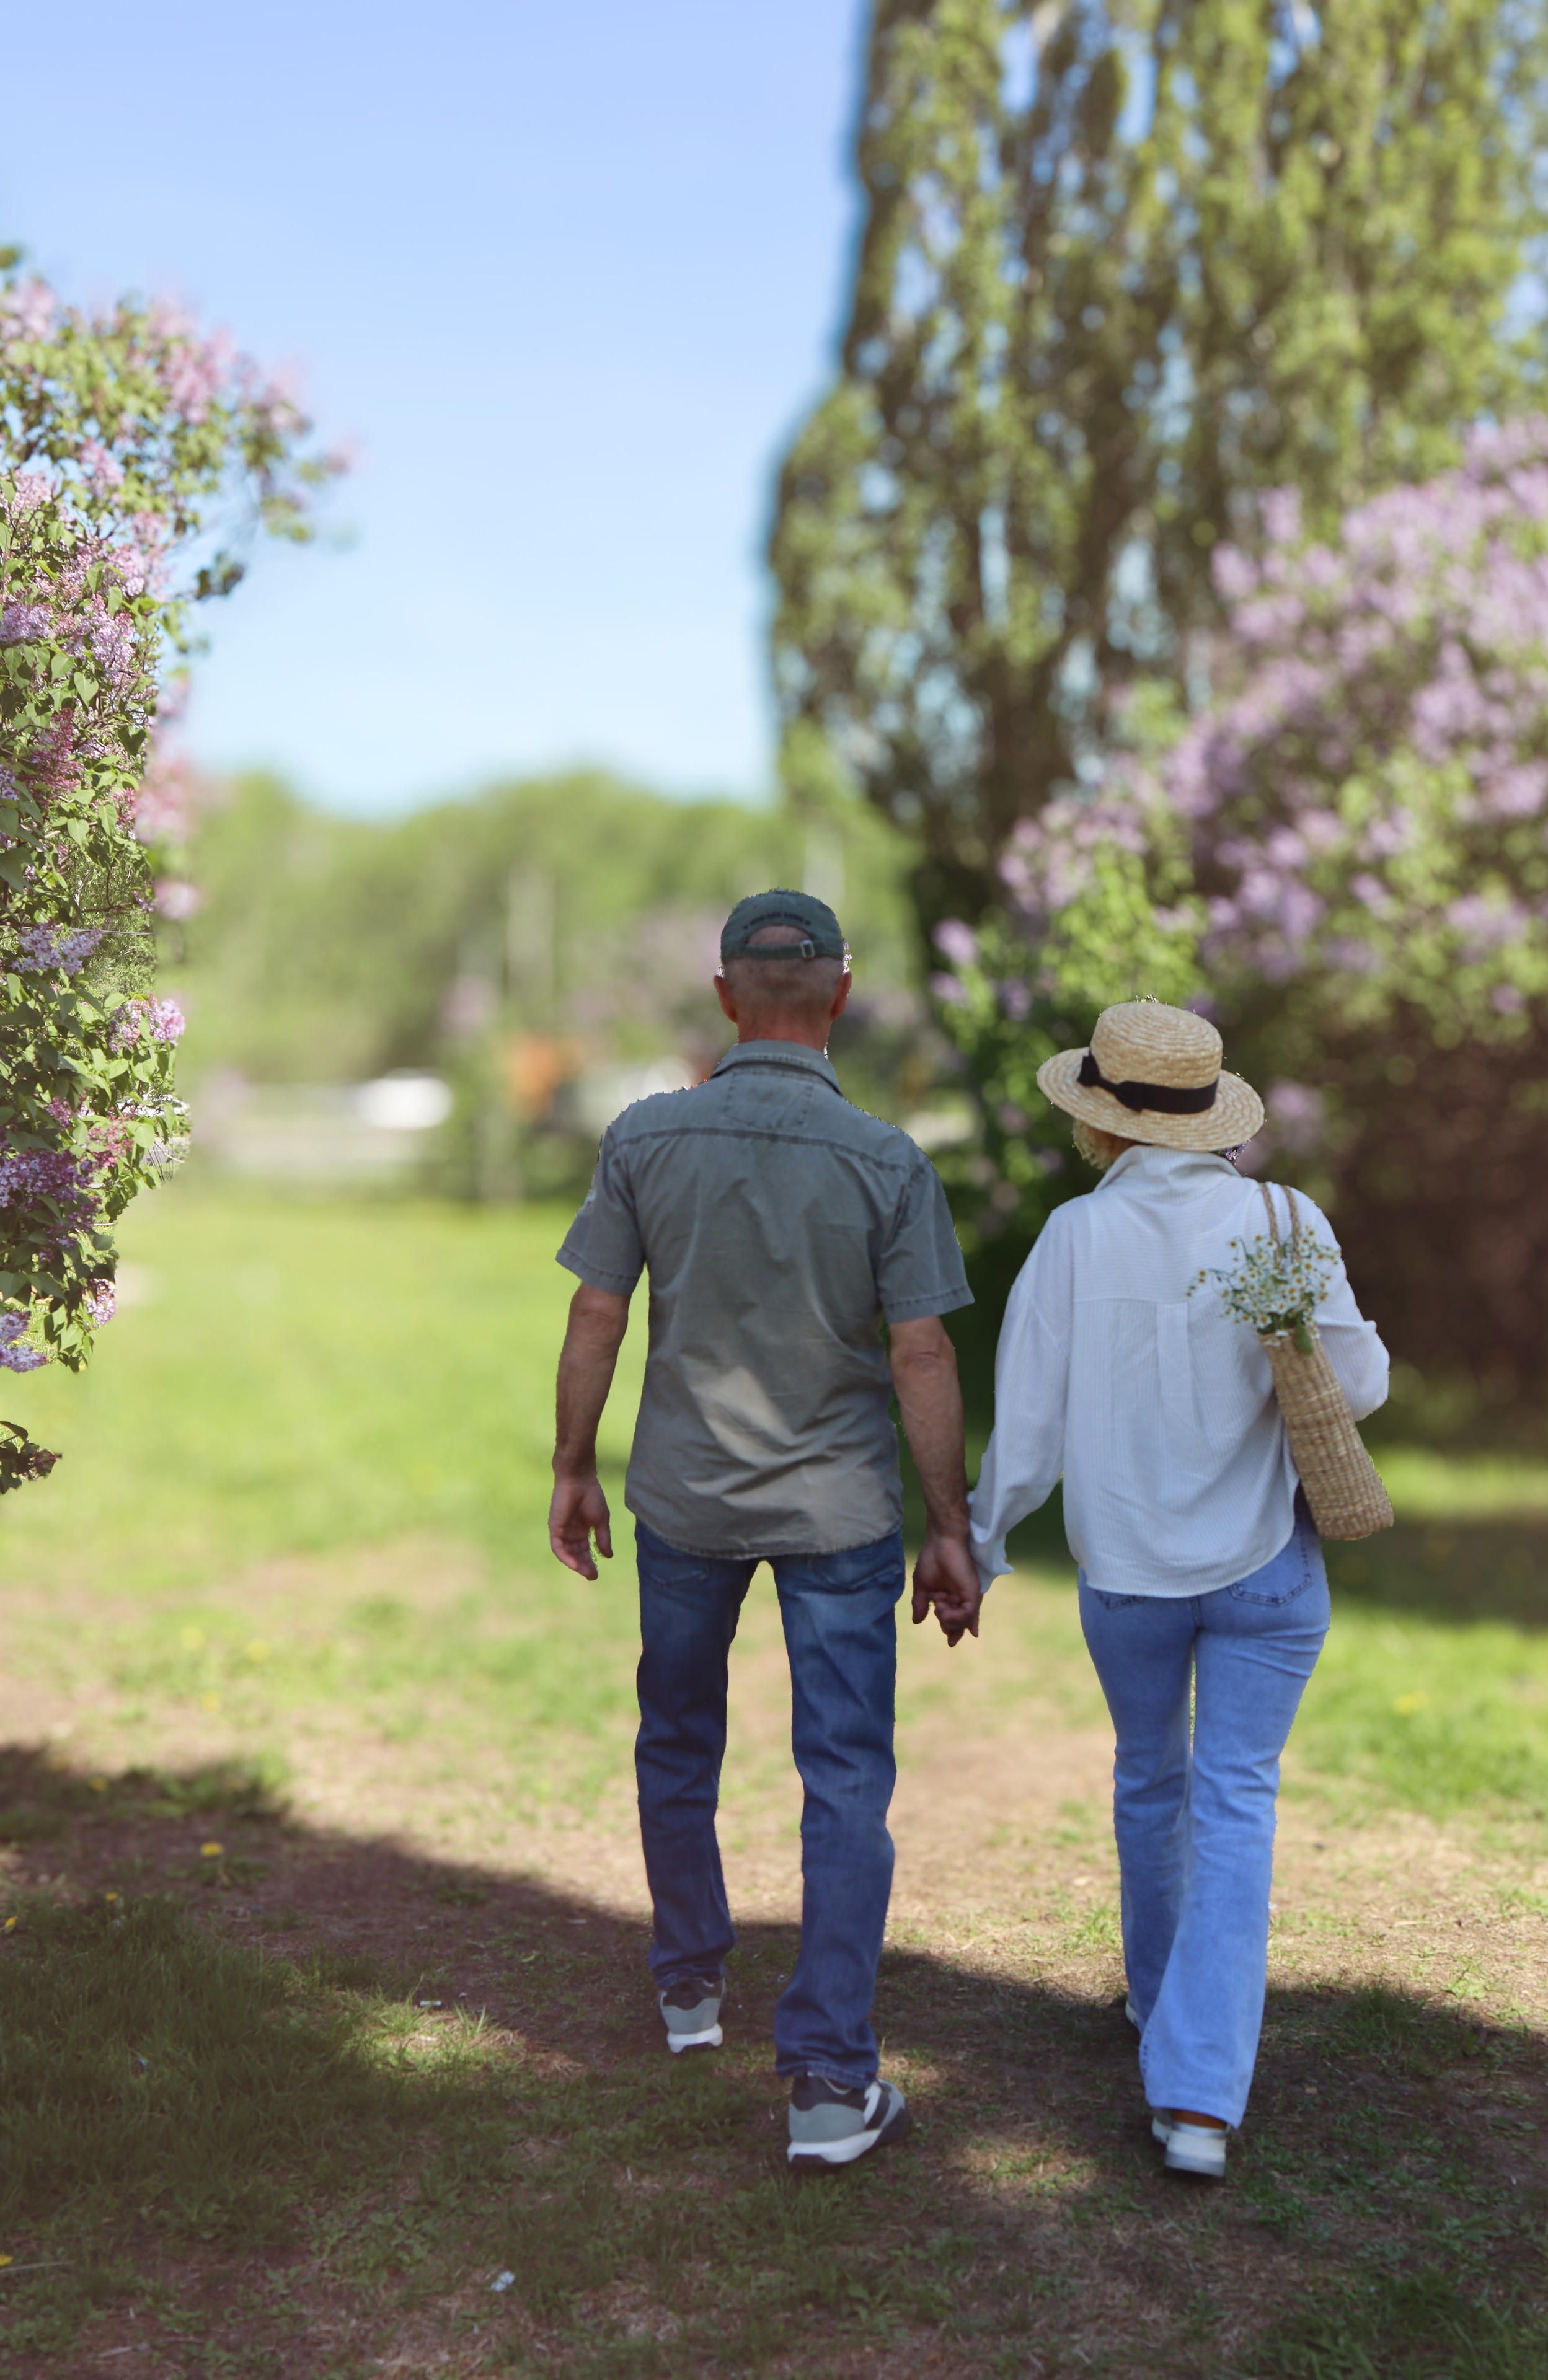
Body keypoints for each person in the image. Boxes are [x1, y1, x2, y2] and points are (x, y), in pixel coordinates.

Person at [548, 889, 983, 2168]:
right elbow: (920, 1350)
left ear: (727, 995)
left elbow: (594, 1317)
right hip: (839, 1511)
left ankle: (688, 1987)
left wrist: (574, 1464)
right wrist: (945, 1527)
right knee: (844, 1777)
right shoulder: (888, 1161)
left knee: (676, 1734)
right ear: (838, 997)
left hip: (684, 1497)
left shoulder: (645, 1137)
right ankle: (828, 2087)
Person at [967, 1000, 1389, 2180]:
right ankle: (1198, 2098)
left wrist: (985, 1543)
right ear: (1211, 1115)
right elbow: (1357, 1386)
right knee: (1237, 1802)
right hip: (1265, 1565)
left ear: (1102, 1122)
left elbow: (1032, 1430)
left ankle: (1162, 2015)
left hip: (1131, 1576)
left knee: (1150, 1783)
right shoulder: (1282, 1218)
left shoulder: (1069, 1241)